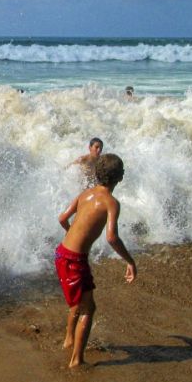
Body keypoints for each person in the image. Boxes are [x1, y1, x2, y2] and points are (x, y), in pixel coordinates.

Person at [55, 153, 137, 368]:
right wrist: (130, 261)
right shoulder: (111, 202)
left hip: (62, 252)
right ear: (120, 178)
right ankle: (76, 360)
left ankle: (69, 340)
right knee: (88, 309)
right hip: (75, 260)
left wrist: (71, 233)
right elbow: (112, 237)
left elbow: (62, 218)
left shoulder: (85, 194)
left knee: (80, 300)